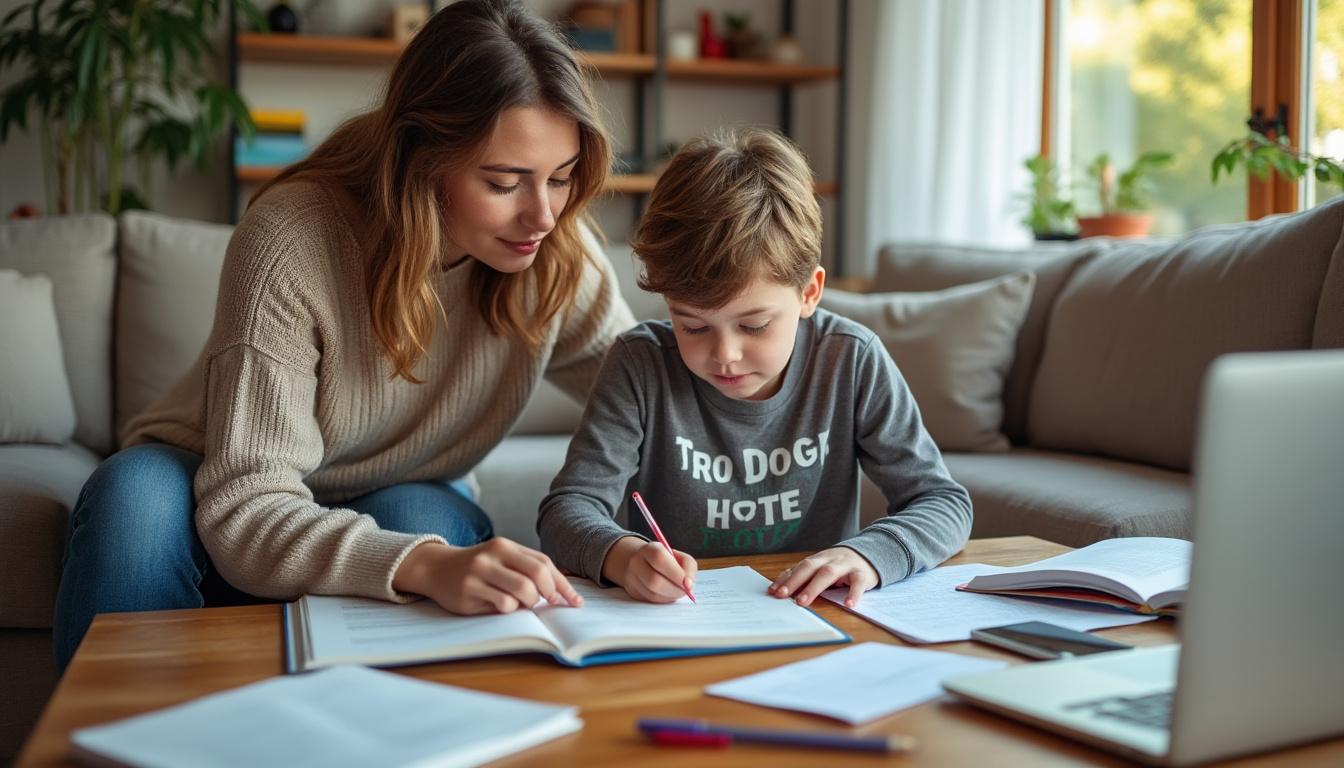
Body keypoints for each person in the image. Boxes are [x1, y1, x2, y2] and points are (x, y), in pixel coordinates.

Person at [52, 0, 635, 670]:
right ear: (422, 157)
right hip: (217, 482)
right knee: (134, 504)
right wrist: (422, 565)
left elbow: (655, 401)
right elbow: (247, 500)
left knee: (428, 520)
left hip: (402, 486)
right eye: (505, 183)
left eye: (561, 178)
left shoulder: (558, 252)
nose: (543, 214)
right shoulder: (293, 241)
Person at [537, 127, 972, 609]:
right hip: (682, 619)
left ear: (809, 292)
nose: (725, 354)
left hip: (818, 614)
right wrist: (621, 555)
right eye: (693, 326)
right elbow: (566, 511)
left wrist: (868, 557)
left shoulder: (849, 359)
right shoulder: (640, 365)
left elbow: (943, 503)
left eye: (755, 325)